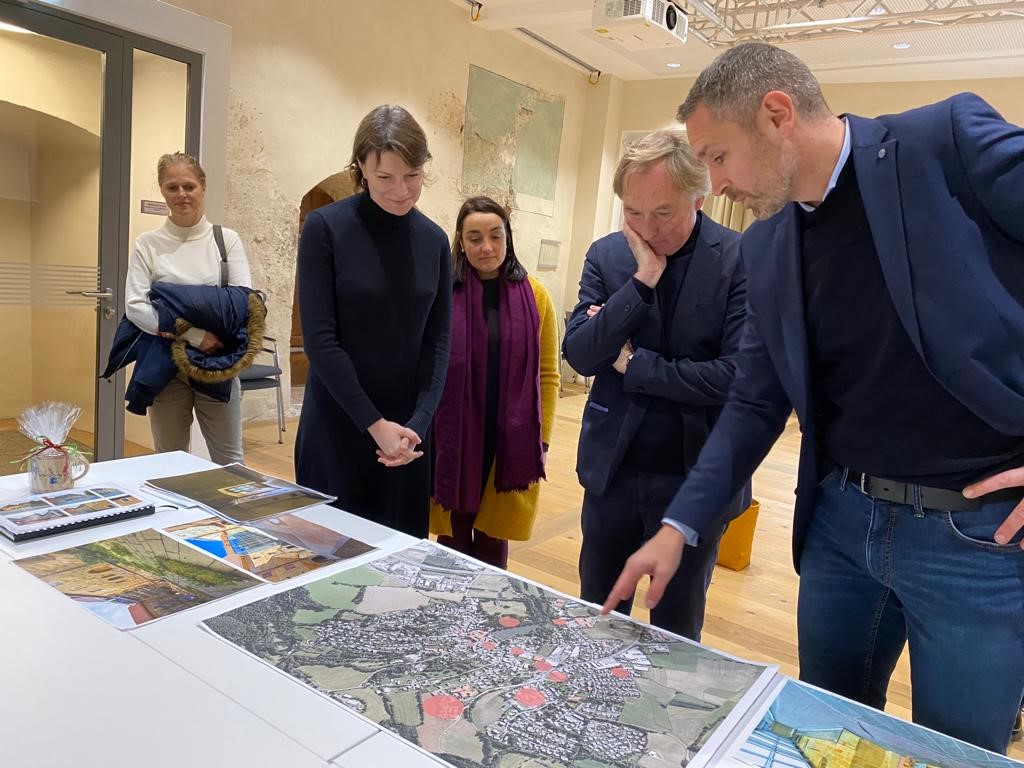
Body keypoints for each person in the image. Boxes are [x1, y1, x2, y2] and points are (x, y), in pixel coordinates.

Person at [604, 42, 1024, 753]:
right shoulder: (768, 246)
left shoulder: (944, 142)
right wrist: (678, 527)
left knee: (959, 752)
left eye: (717, 155)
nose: (713, 181)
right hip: (840, 530)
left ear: (776, 115)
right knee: (830, 737)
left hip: (976, 541)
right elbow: (753, 402)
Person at [563, 130, 749, 641]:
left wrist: (633, 365)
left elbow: (734, 377)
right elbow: (579, 353)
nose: (647, 227)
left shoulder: (740, 259)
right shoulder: (609, 255)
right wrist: (641, 279)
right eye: (633, 212)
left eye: (663, 213)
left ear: (700, 196)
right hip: (612, 471)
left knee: (675, 626)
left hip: (695, 476)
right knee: (599, 609)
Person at [294, 105, 451, 538]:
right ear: (361, 167)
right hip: (339, 422)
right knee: (325, 565)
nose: (401, 191)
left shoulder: (435, 241)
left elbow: (438, 344)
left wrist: (416, 427)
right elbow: (321, 341)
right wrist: (375, 425)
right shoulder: (326, 228)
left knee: (399, 566)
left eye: (412, 176)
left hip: (407, 439)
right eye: (385, 178)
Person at [429, 196, 559, 568]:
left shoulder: (536, 297)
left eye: (495, 236)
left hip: (509, 436)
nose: (486, 247)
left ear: (508, 238)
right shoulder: (443, 294)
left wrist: (543, 438)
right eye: (474, 237)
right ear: (460, 241)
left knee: (493, 543)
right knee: (451, 538)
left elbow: (548, 375)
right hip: (454, 434)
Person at [124, 151, 252, 464]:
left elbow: (242, 300)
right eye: (172, 187)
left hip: (217, 361)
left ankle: (232, 514)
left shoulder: (226, 240)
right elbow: (135, 306)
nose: (181, 194)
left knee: (229, 459)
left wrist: (169, 304)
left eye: (189, 186)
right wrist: (195, 334)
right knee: (169, 459)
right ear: (162, 190)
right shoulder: (148, 243)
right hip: (165, 363)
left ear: (203, 188)